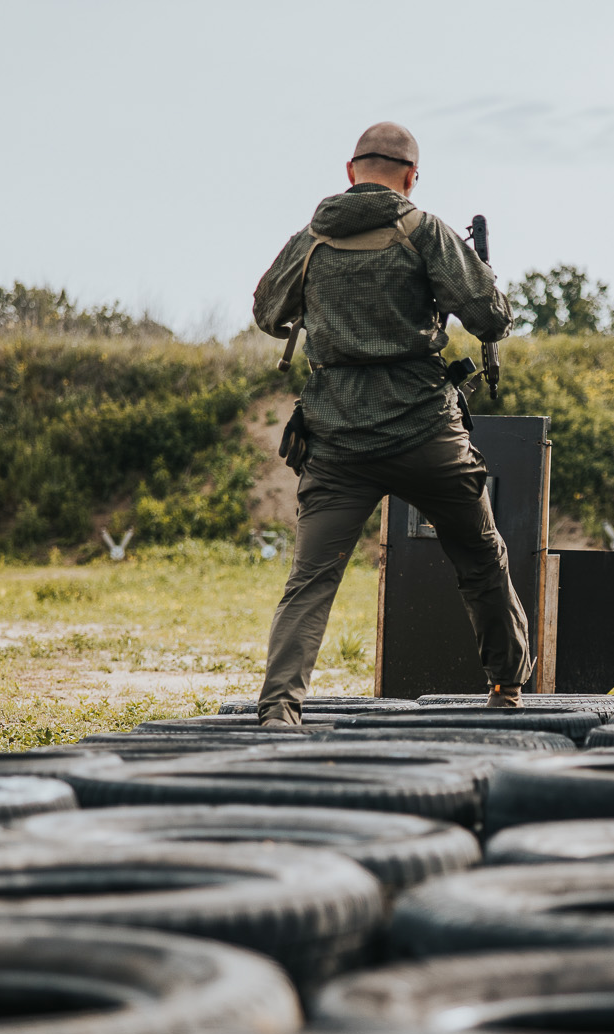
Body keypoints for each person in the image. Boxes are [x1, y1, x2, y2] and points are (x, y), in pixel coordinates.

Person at [252, 122, 530, 724]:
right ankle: (507, 687)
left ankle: (278, 708)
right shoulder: (426, 230)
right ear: (410, 178)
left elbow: (268, 312)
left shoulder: (312, 238)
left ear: (351, 172)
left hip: (336, 440)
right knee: (480, 557)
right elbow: (491, 318)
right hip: (426, 432)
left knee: (311, 581)